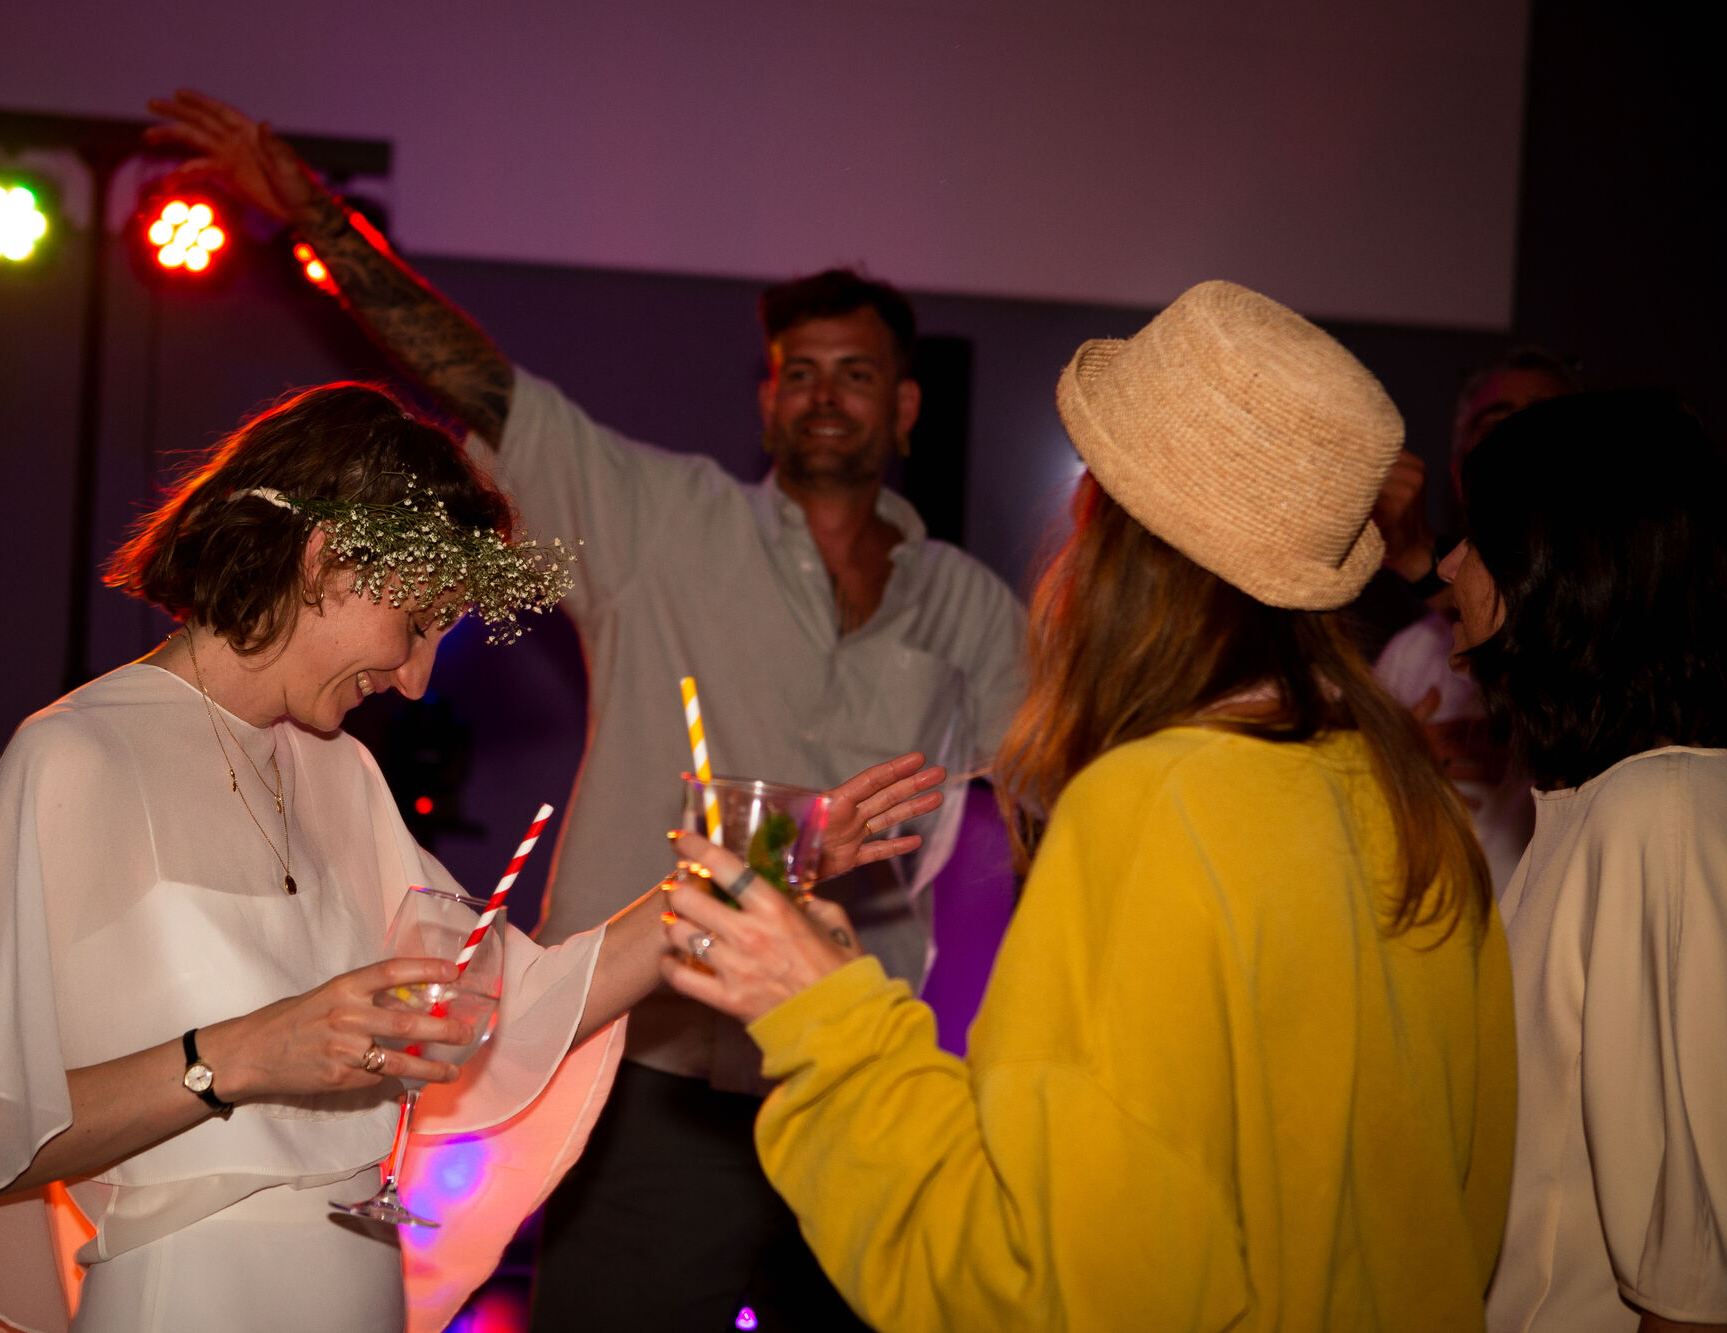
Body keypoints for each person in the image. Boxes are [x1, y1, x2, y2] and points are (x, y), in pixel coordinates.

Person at [145, 90, 1026, 1332]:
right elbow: (484, 387)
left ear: (905, 407)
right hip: (650, 1063)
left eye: (856, 374)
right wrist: (318, 218)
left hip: (850, 1060)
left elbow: (1032, 798)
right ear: (766, 399)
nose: (825, 397)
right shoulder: (661, 522)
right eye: (799, 374)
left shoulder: (972, 606)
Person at [0, 383, 938, 1333]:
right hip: (188, 1290)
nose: (416, 680)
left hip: (360, 1287)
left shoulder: (344, 775)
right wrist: (240, 1054)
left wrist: (757, 868)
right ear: (325, 558)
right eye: (416, 624)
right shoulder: (76, 755)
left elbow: (518, 998)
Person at [659, 280, 1517, 1330]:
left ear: (1115, 541)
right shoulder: (1409, 797)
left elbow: (1040, 1285)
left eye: (1086, 506)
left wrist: (822, 1017)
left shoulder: (1150, 806)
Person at [1442, 391, 1726, 1333]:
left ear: (1560, 571)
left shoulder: (1659, 810)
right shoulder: (1599, 802)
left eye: (1478, 539)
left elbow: (1695, 1279)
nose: (1448, 565)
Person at [1374, 347, 1581, 890]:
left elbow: (1550, 624)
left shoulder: (1626, 628)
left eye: (1545, 422)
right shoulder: (1411, 653)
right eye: (1496, 427)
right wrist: (1391, 770)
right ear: (1460, 470)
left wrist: (1416, 555)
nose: (1520, 443)